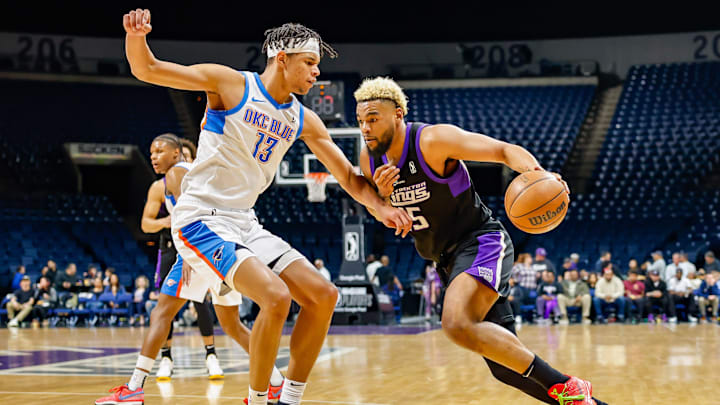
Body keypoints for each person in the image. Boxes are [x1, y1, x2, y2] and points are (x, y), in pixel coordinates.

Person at [97, 10, 411, 405]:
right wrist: (136, 36)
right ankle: (257, 399)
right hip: (199, 218)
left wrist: (380, 207)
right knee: (275, 297)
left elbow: (348, 177)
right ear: (282, 58)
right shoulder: (230, 84)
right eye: (310, 63)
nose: (317, 73)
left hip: (244, 221)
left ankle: (291, 397)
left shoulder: (303, 118)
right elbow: (148, 68)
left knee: (323, 294)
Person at [356, 76, 605, 404]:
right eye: (361, 121)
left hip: (479, 242)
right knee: (504, 368)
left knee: (456, 323)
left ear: (398, 114)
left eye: (373, 119)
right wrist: (385, 199)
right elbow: (384, 210)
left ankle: (568, 384)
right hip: (444, 260)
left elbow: (502, 150)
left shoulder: (432, 140)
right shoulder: (369, 160)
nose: (365, 128)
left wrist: (535, 172)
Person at [140, 133, 230, 381]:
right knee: (165, 306)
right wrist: (165, 221)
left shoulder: (189, 176)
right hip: (172, 244)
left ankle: (211, 355)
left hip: (195, 241)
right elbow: (146, 224)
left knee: (201, 302)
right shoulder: (160, 186)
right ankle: (166, 358)